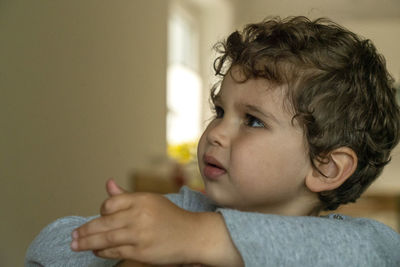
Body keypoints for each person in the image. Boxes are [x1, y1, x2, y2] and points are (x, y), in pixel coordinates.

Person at [26, 16, 400, 266]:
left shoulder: (356, 243)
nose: (216, 133)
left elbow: (377, 254)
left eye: (252, 121)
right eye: (220, 112)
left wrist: (195, 237)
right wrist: (116, 240)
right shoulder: (184, 209)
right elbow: (46, 247)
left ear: (326, 166)